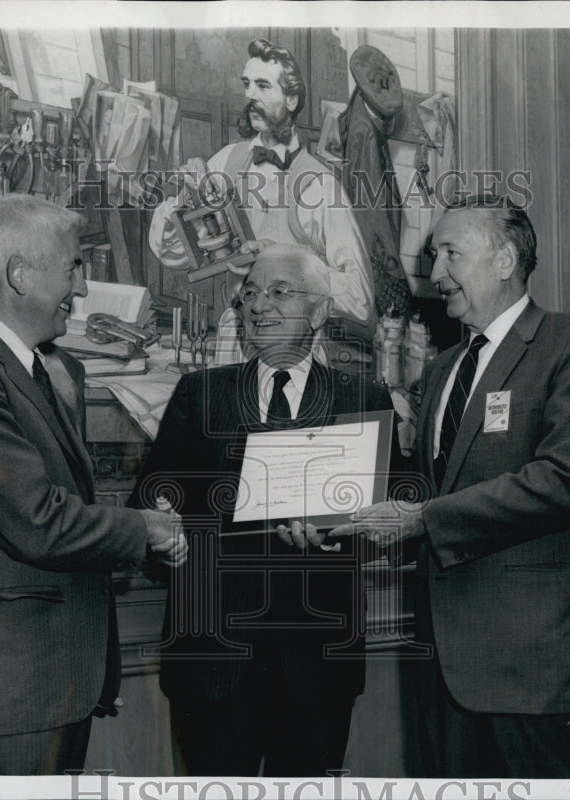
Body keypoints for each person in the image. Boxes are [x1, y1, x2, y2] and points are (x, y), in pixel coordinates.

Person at [329, 195, 570, 778]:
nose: (436, 272)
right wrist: (342, 517)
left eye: (451, 253)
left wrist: (423, 519)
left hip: (545, 671)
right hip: (445, 674)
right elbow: (433, 493)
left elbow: (566, 479)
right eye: (432, 255)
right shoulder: (445, 367)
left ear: (504, 260)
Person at [0, 194, 187, 775]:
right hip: (12, 690)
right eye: (75, 267)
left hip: (50, 683)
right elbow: (36, 518)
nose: (81, 290)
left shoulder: (30, 365)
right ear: (21, 276)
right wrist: (143, 525)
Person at [129, 244, 393, 776]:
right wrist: (163, 523)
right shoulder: (199, 394)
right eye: (250, 293)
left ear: (319, 312)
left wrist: (337, 533)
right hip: (213, 663)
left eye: (278, 292)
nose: (258, 305)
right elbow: (149, 503)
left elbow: (392, 520)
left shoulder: (363, 397)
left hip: (319, 667)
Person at [149, 38, 378, 355]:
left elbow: (361, 299)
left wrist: (290, 265)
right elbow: (169, 252)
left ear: (292, 98)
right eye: (247, 85)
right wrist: (183, 198)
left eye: (262, 86)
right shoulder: (227, 160)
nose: (249, 96)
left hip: (296, 356)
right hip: (233, 350)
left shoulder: (321, 186)